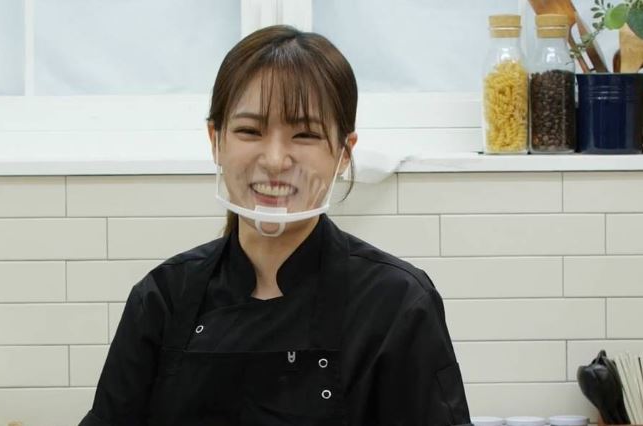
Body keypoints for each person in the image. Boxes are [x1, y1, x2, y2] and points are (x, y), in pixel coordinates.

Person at [79, 25, 471, 426]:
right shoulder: (162, 299)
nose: (275, 160)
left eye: (305, 134)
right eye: (250, 131)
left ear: (343, 152)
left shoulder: (397, 303)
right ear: (216, 140)